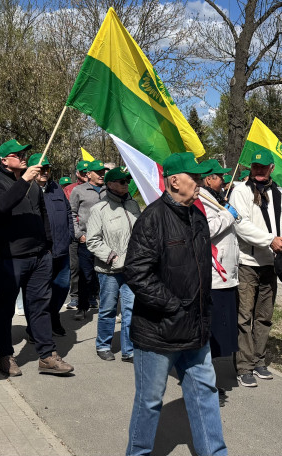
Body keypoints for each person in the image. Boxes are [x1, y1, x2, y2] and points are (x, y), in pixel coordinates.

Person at [123, 152, 227, 456]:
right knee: (149, 402)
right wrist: (174, 306)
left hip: (195, 330)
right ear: (174, 181)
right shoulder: (152, 218)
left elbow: (200, 269)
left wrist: (200, 309)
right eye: (193, 177)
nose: (198, 182)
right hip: (159, 331)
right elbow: (136, 273)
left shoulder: (197, 215)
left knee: (205, 394)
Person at [0, 139, 72, 377]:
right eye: (17, 154)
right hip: (10, 258)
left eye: (25, 153)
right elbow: (1, 207)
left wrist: (48, 246)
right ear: (3, 159)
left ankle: (47, 355)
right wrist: (23, 181)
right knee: (5, 308)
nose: (23, 157)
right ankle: (5, 355)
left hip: (39, 256)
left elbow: (42, 215)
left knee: (40, 306)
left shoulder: (33, 185)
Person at [229, 146, 282, 388]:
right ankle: (243, 365)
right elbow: (241, 224)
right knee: (243, 317)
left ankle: (258, 360)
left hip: (270, 263)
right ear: (250, 168)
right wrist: (270, 239)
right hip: (247, 263)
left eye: (263, 167)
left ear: (272, 168)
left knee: (264, 316)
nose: (258, 171)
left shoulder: (279, 193)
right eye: (255, 166)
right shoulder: (239, 191)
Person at [197, 159, 241, 407]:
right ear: (208, 179)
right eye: (219, 176)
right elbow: (206, 229)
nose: (224, 180)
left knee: (220, 332)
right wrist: (228, 215)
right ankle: (206, 384)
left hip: (226, 276)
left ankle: (209, 380)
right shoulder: (201, 199)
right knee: (212, 332)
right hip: (214, 277)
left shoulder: (216, 198)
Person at [85, 166, 141, 362]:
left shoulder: (133, 205)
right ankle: (103, 344)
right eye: (122, 181)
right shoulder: (99, 209)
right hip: (109, 269)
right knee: (108, 309)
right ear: (110, 184)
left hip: (132, 268)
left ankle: (129, 349)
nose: (126, 184)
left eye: (127, 181)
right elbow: (92, 240)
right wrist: (112, 257)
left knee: (131, 308)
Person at [34, 153, 74, 338]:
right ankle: (35, 328)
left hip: (62, 249)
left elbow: (68, 213)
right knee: (41, 292)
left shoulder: (56, 188)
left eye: (47, 169)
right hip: (41, 252)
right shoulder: (27, 190)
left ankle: (53, 316)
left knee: (62, 286)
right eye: (41, 168)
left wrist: (70, 235)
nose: (44, 172)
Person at [69, 159, 108, 320]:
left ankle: (105, 307)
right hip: (87, 239)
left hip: (106, 240)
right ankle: (82, 306)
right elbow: (71, 213)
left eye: (102, 172)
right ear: (88, 174)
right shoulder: (79, 190)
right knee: (85, 274)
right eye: (98, 172)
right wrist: (79, 234)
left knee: (105, 274)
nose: (101, 175)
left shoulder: (109, 189)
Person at [63, 160, 89, 309]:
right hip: (75, 234)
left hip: (94, 234)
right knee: (75, 267)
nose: (86, 175)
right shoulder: (70, 189)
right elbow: (69, 212)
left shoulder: (99, 189)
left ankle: (92, 295)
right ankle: (74, 296)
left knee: (92, 267)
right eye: (83, 172)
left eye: (88, 171)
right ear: (78, 173)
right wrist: (76, 233)